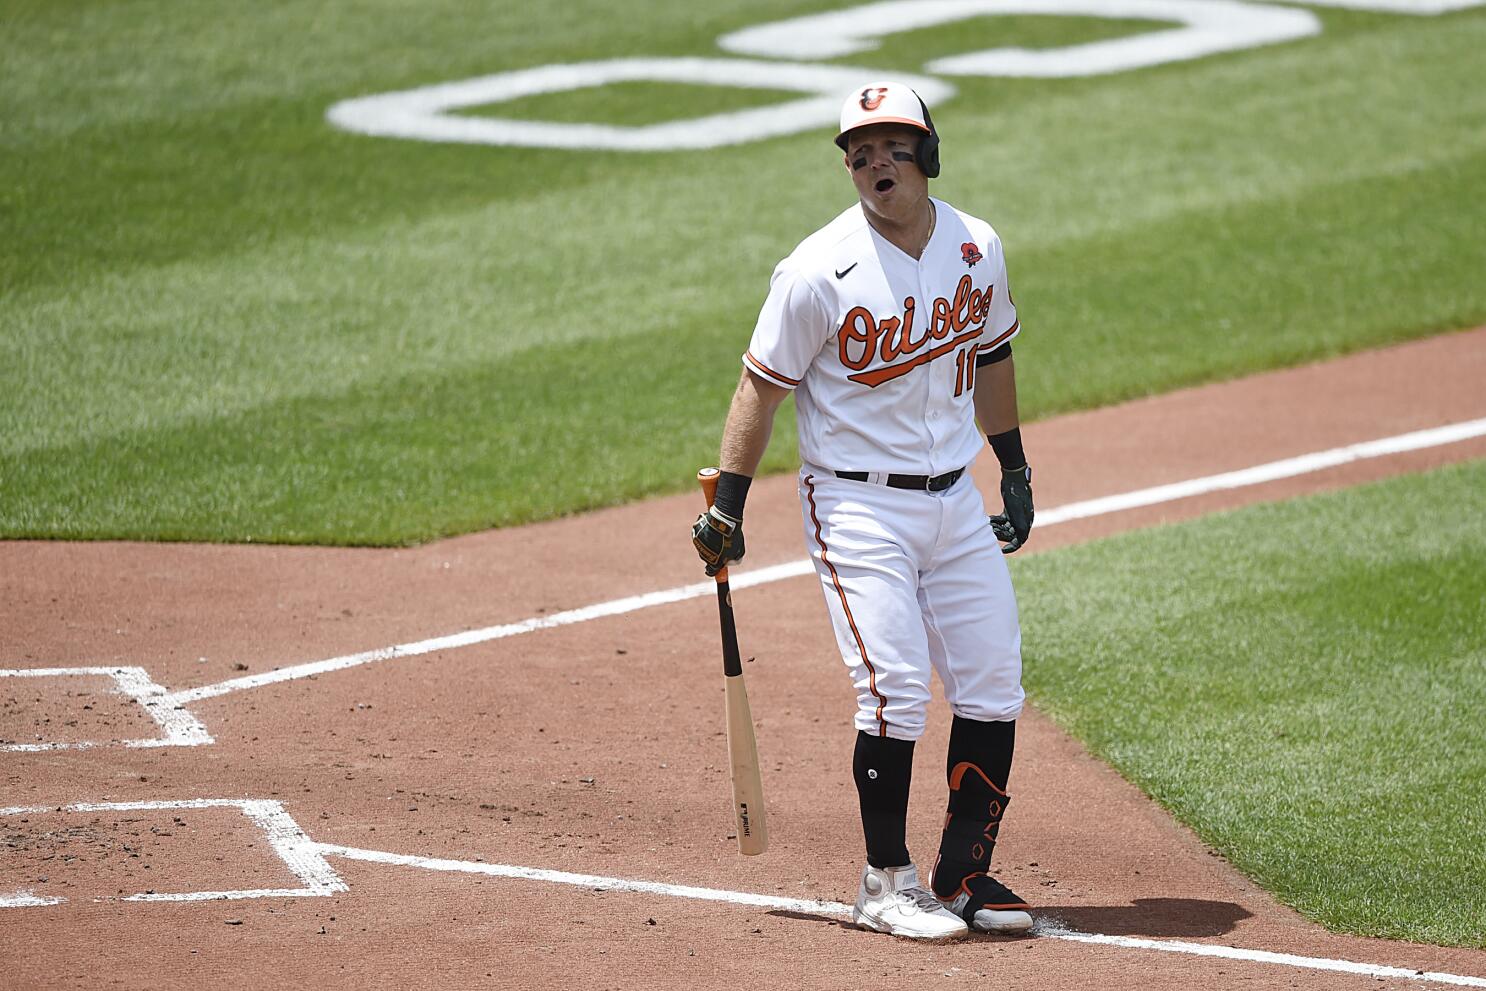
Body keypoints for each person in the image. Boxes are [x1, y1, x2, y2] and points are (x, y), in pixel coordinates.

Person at [691, 81, 1037, 942]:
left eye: (891, 144)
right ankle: (885, 881)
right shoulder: (817, 270)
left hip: (954, 498)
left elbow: (991, 356)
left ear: (927, 153)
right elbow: (759, 388)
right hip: (855, 502)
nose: (874, 160)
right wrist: (728, 505)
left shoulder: (975, 245)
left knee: (993, 682)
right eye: (858, 150)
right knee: (894, 690)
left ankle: (962, 873)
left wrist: (1015, 467)